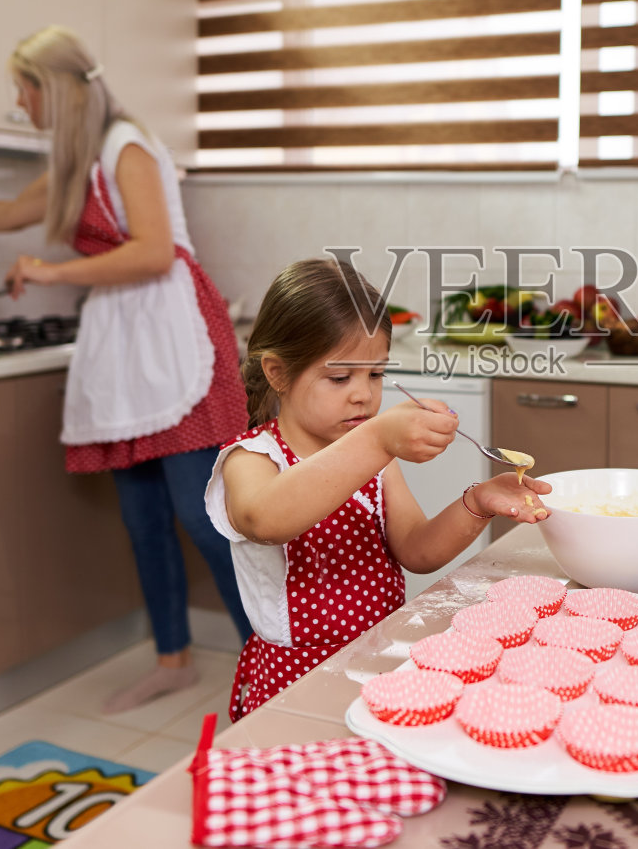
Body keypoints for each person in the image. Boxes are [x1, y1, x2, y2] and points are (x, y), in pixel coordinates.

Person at [0, 25, 253, 714]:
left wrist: (51, 270)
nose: (19, 101)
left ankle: (273, 658)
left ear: (57, 91)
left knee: (206, 513)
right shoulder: (79, 162)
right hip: (126, 350)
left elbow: (156, 252)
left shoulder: (127, 144)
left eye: (24, 88)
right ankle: (173, 658)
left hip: (172, 337)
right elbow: (10, 211)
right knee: (143, 515)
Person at [208, 258, 550, 720]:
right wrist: (376, 439)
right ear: (278, 373)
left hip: (381, 658)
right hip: (295, 678)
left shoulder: (372, 457)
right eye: (339, 377)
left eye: (375, 374)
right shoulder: (250, 459)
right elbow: (265, 520)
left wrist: (477, 501)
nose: (363, 395)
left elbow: (416, 550)